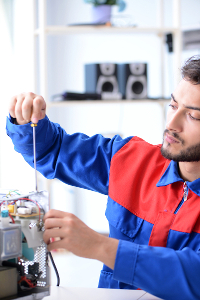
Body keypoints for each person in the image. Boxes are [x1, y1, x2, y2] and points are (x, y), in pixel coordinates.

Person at [6, 55, 200, 300]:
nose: (172, 123)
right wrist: (25, 121)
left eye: (193, 116)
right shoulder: (131, 159)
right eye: (173, 105)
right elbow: (52, 150)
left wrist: (100, 246)